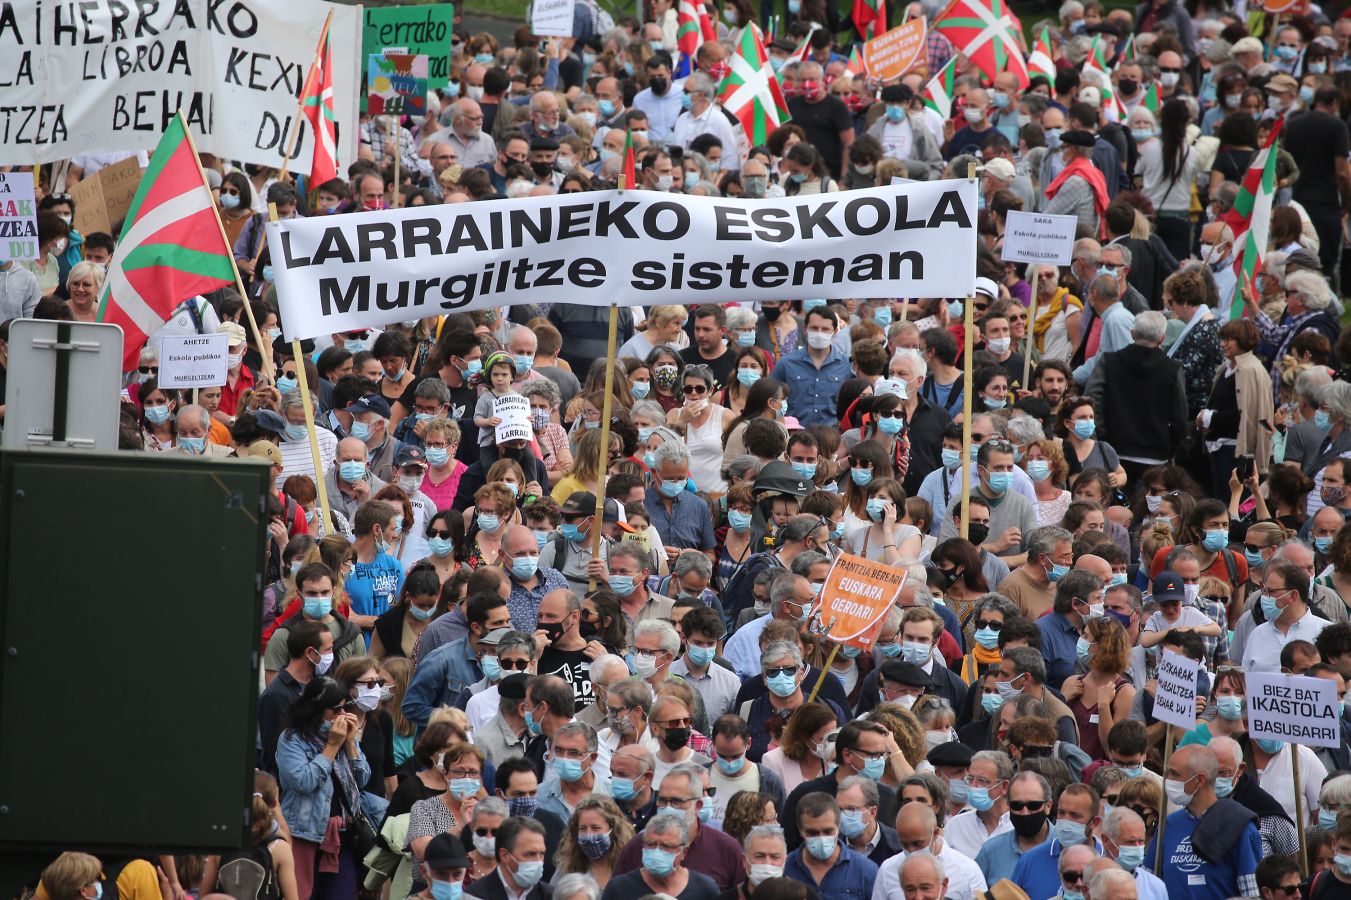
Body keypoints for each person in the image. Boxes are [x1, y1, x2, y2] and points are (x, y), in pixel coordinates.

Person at [275, 676, 370, 900]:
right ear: (316, 710)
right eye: (335, 709)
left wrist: (348, 744)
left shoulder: (344, 735)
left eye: (346, 707)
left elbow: (362, 779)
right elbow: (303, 781)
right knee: (302, 894)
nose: (342, 715)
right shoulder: (292, 739)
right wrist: (331, 747)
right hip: (304, 833)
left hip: (342, 835)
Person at [1145, 744, 1261, 899]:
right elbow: (1147, 882)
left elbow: (1252, 893)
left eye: (1174, 774)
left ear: (1199, 780)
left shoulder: (1239, 825)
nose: (1168, 780)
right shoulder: (1168, 825)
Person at [1010, 782, 1103, 900]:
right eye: (1061, 813)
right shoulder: (1030, 861)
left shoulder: (1109, 862)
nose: (1065, 821)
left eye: (1075, 815)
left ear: (1094, 822)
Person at [601, 812, 720, 900]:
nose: (657, 851)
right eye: (651, 844)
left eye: (666, 846)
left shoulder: (705, 889)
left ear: (684, 852)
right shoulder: (619, 888)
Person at [782, 792, 878, 897]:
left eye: (828, 831)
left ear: (838, 826)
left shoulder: (866, 871)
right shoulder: (785, 868)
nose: (821, 838)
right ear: (800, 830)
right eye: (812, 832)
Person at [772, 305, 851, 427]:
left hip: (831, 439)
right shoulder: (786, 363)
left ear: (835, 332)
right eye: (814, 328)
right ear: (805, 329)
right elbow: (771, 401)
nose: (819, 333)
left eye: (825, 329)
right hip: (793, 436)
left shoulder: (845, 365)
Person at [466, 817, 551, 900]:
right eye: (530, 854)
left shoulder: (551, 895)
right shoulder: (474, 895)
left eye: (541, 854)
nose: (538, 861)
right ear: (505, 855)